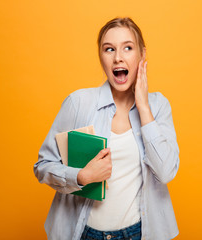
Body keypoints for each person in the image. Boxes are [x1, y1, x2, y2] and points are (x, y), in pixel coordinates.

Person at [34, 17, 180, 240]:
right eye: (109, 49)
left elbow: (166, 171)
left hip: (138, 233)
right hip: (83, 233)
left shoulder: (158, 106)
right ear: (100, 56)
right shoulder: (78, 103)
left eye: (128, 48)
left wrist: (143, 106)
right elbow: (43, 166)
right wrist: (81, 177)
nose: (118, 57)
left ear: (142, 54)